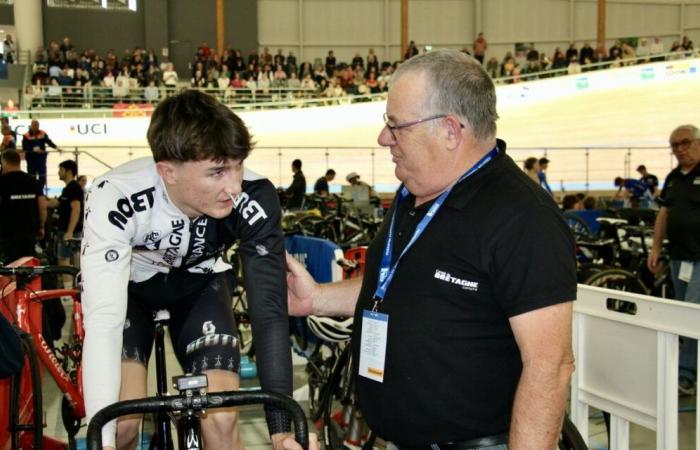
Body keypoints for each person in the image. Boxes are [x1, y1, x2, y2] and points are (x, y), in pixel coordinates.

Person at [287, 50, 576, 449]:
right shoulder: (415, 192)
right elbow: (400, 285)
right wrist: (316, 298)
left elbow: (550, 366)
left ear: (451, 131)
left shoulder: (523, 218)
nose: (383, 138)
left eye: (396, 125)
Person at [81, 91, 315, 450]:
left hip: (200, 285)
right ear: (167, 172)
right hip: (131, 293)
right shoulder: (114, 194)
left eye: (238, 165)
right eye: (217, 171)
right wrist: (103, 440)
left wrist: (281, 429)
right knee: (123, 425)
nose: (234, 185)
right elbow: (104, 321)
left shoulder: (254, 195)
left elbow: (268, 312)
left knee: (221, 421)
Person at [648, 124, 700, 396]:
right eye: (675, 145)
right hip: (680, 259)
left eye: (685, 143)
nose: (680, 149)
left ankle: (686, 374)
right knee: (684, 313)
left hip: (699, 260)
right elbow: (664, 214)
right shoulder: (674, 177)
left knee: (690, 315)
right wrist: (656, 248)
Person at [0, 149, 47, 262]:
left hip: (8, 233)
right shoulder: (33, 181)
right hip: (30, 232)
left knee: (10, 268)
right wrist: (41, 226)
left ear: (5, 162)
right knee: (29, 265)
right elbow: (42, 206)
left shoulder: (2, 181)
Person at [46, 160, 83, 284]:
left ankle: (69, 292)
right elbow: (57, 203)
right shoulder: (66, 189)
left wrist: (70, 232)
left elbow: (76, 209)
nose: (58, 172)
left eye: (61, 169)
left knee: (65, 261)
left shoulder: (74, 188)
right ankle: (69, 290)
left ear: (69, 171)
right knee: (63, 260)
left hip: (70, 232)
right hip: (65, 230)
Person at [22, 119, 60, 190]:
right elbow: (25, 147)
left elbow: (49, 142)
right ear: (31, 126)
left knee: (42, 175)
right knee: (31, 175)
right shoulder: (26, 135)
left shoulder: (43, 133)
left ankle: (40, 190)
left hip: (41, 158)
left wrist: (56, 147)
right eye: (34, 125)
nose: (36, 126)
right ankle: (32, 190)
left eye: (37, 125)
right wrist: (35, 150)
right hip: (31, 159)